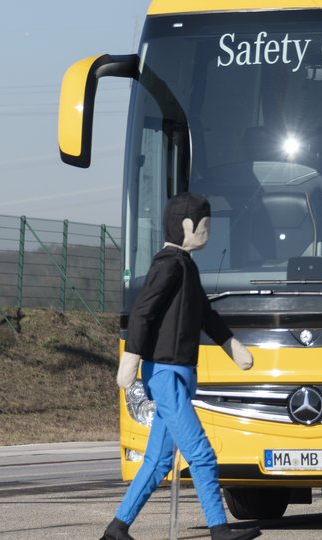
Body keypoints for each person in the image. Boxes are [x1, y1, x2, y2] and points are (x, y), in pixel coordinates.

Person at [101, 192, 261, 540]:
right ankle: (219, 529)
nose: (208, 233)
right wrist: (130, 360)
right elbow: (143, 312)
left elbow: (205, 313)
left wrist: (232, 347)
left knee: (158, 461)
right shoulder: (168, 265)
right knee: (201, 453)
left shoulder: (186, 266)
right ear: (188, 226)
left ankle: (117, 529)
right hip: (165, 374)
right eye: (205, 226)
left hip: (179, 374)